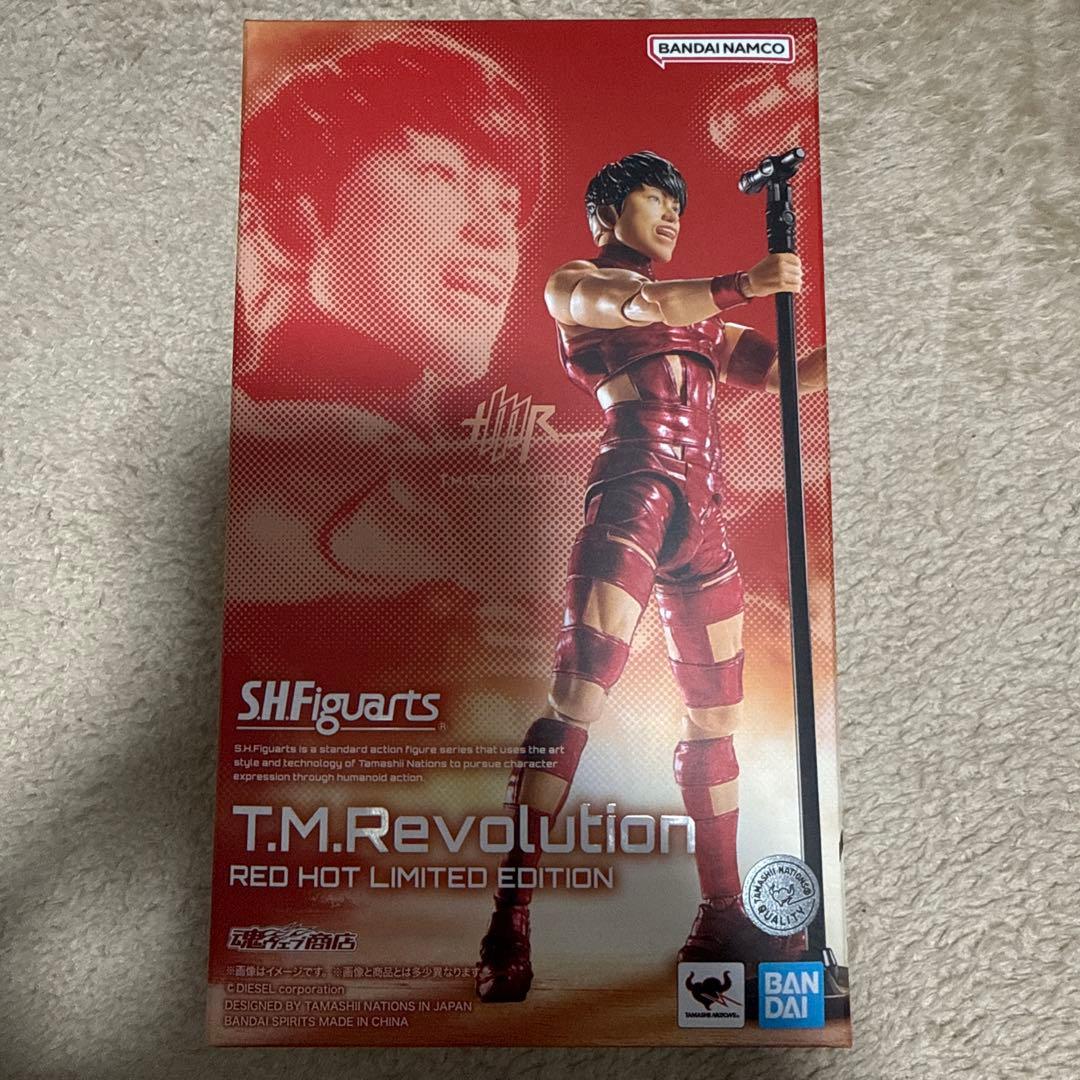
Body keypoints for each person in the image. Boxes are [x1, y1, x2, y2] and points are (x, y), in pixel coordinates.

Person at [476, 151, 826, 1003]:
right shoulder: (576, 285)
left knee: (717, 718)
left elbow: (790, 375)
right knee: (579, 695)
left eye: (678, 203)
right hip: (634, 492)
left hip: (705, 514)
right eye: (653, 198)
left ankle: (723, 913)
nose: (671, 214)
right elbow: (643, 304)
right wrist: (744, 283)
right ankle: (509, 919)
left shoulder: (703, 322)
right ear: (607, 211)